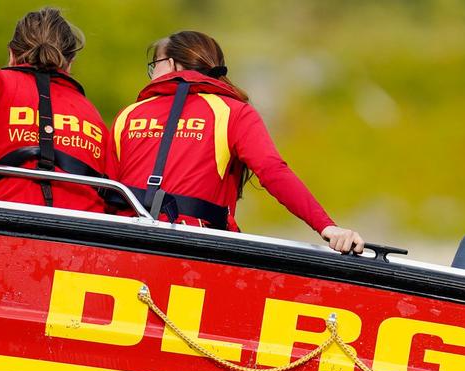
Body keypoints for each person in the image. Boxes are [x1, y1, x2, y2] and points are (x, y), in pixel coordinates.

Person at [112, 31, 365, 253]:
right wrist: (326, 226)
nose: (152, 75)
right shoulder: (234, 112)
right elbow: (273, 172)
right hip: (197, 248)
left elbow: (106, 190)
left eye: (154, 65)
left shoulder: (128, 115)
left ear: (171, 64)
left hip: (123, 242)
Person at [0, 8, 117, 212]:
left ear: (11, 54)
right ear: (70, 63)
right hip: (83, 227)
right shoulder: (92, 114)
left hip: (10, 218)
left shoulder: (0, 88)